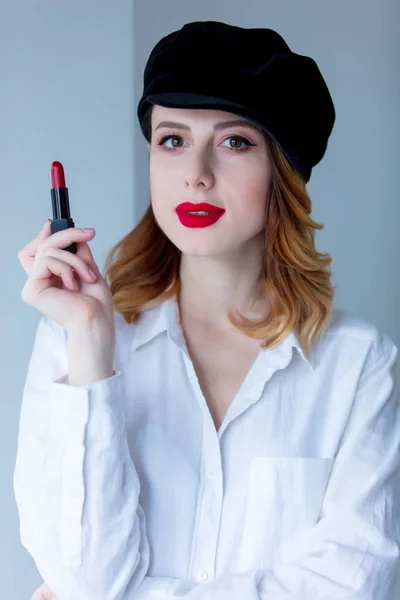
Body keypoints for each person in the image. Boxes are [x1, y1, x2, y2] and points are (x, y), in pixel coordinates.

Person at [14, 20, 400, 600]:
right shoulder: (74, 341)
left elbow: (350, 587)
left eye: (234, 141)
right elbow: (85, 580)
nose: (196, 172)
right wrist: (92, 345)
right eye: (172, 140)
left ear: (283, 172)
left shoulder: (361, 367)